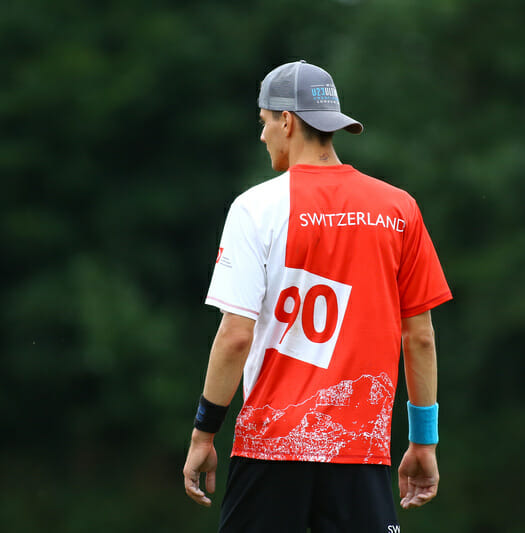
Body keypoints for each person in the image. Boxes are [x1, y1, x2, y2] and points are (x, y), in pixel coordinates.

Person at [183, 60, 452, 532]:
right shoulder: (398, 208)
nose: (263, 135)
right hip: (360, 452)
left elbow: (234, 337)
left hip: (270, 448)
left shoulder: (256, 208)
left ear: (286, 120)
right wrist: (423, 442)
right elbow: (421, 337)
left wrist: (204, 432)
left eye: (264, 122)